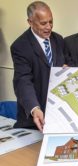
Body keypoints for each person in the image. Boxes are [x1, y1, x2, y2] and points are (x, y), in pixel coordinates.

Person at [10, 1, 65, 131]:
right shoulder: (20, 46)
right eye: (43, 23)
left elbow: (64, 66)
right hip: (34, 119)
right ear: (30, 22)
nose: (49, 27)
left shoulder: (58, 39)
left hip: (57, 115)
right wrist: (35, 108)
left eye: (51, 22)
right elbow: (23, 81)